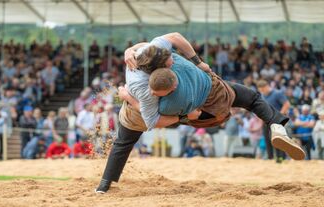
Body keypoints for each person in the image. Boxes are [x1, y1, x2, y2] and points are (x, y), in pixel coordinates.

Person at [96, 33, 305, 193]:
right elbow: (150, 114)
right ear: (157, 70)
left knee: (122, 144)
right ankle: (276, 123)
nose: (172, 59)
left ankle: (104, 186)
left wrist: (130, 55)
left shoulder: (152, 55)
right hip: (203, 96)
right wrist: (198, 63)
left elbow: (171, 40)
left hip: (192, 108)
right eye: (169, 61)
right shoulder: (144, 88)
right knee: (251, 98)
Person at [257, 80, 291, 162]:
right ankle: (270, 158)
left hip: (277, 121)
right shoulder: (262, 95)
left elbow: (287, 104)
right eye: (260, 90)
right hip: (266, 120)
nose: (262, 92)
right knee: (268, 140)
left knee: (278, 140)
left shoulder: (277, 93)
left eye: (263, 89)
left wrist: (279, 116)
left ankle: (281, 158)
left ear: (267, 87)